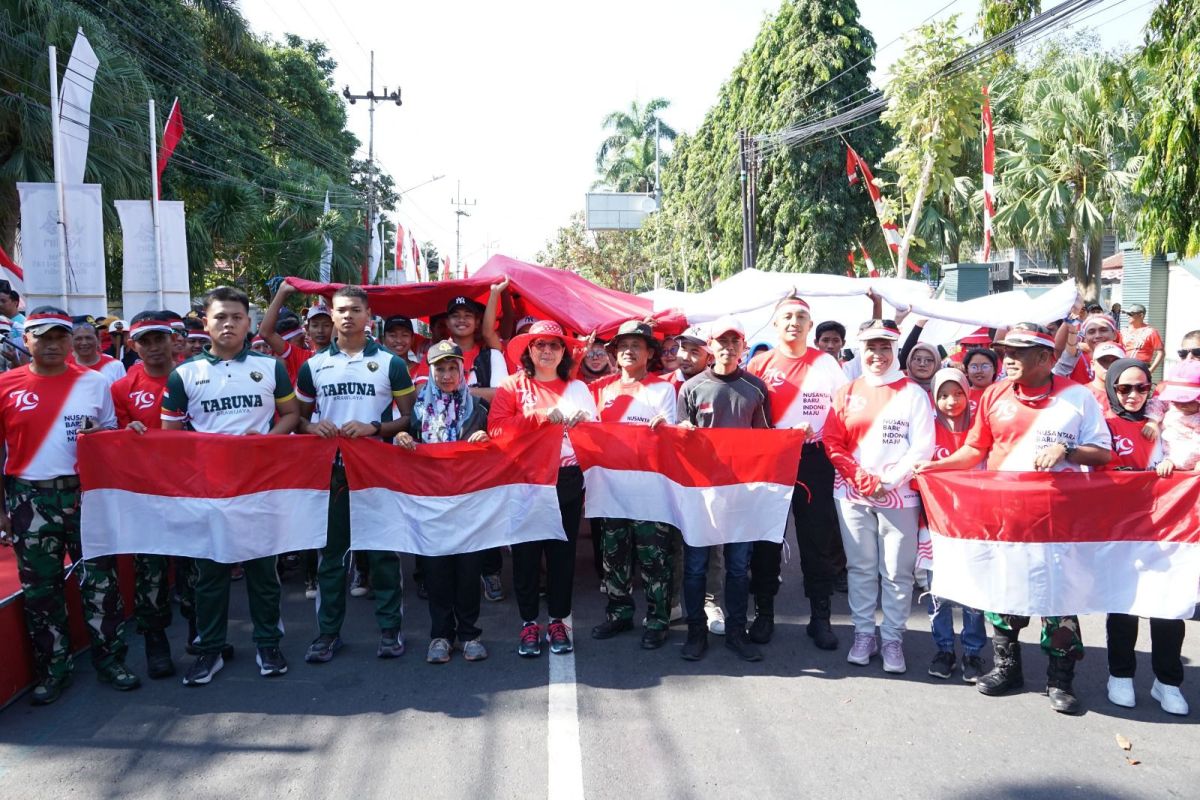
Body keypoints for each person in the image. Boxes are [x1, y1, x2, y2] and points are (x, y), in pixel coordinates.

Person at [915, 323, 1112, 714]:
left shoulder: (1077, 397)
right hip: (1005, 520)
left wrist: (1067, 450)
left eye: (1017, 353)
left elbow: (1103, 453)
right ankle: (1008, 669)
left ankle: (1061, 679)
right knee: (1004, 595)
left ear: (1045, 358)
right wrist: (933, 468)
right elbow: (975, 450)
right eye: (1005, 352)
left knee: (1058, 599)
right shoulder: (993, 395)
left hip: (1058, 525)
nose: (1007, 359)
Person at [0, 308, 140, 704]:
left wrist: (102, 435)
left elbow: (111, 434)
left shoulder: (94, 383)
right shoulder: (6, 385)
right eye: (42, 337)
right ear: (26, 341)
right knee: (41, 591)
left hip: (85, 496)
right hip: (29, 498)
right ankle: (54, 669)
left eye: (59, 336)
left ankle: (111, 660)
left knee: (100, 583)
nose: (52, 344)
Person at [162, 286, 300, 686]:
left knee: (262, 570)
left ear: (249, 323)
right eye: (220, 316)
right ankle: (209, 650)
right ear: (205, 322)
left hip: (259, 486)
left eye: (237, 317)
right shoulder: (184, 374)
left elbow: (290, 414)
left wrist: (261, 449)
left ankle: (268, 644)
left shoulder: (270, 367)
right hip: (210, 490)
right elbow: (170, 437)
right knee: (211, 573)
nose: (228, 324)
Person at [295, 286, 416, 664]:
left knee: (382, 553)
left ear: (369, 316)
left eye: (355, 310)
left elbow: (409, 418)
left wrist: (374, 429)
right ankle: (328, 634)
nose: (348, 316)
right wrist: (313, 428)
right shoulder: (313, 365)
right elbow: (295, 417)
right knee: (331, 557)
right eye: (341, 310)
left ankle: (390, 629)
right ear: (331, 316)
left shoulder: (391, 363)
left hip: (377, 470)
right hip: (331, 472)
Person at [823, 319, 934, 675]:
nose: (878, 355)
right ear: (861, 349)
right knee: (861, 568)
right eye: (871, 347)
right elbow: (832, 441)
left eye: (885, 348)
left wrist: (889, 480)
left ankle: (892, 639)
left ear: (895, 350)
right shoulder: (847, 391)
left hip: (898, 496)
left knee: (896, 572)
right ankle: (863, 633)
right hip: (851, 493)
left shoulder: (913, 393)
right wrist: (859, 477)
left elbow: (922, 447)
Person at [745, 293, 848, 650]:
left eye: (800, 317)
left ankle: (820, 617)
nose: (793, 323)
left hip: (814, 460)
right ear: (775, 323)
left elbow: (843, 413)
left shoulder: (828, 365)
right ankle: (764, 612)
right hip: (769, 460)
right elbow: (747, 416)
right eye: (786, 316)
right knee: (766, 537)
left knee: (817, 539)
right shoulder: (759, 364)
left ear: (810, 324)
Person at [489, 321, 596, 657]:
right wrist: (539, 416)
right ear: (529, 351)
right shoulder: (511, 386)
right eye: (540, 345)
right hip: (524, 479)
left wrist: (583, 423)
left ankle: (557, 621)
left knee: (562, 554)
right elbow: (496, 431)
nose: (547, 351)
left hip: (565, 478)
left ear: (564, 351)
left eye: (554, 345)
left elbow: (596, 435)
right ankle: (528, 624)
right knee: (526, 554)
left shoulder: (577, 388)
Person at [676, 316, 772, 662]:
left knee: (737, 566)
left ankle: (736, 632)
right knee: (695, 566)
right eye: (722, 342)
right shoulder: (691, 388)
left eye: (735, 342)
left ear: (743, 347)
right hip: (700, 493)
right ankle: (696, 632)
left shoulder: (756, 388)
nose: (728, 348)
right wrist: (682, 431)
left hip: (741, 493)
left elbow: (766, 441)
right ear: (710, 347)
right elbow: (678, 440)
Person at [1097, 358, 1188, 715]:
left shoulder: (1171, 422)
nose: (1133, 395)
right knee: (1125, 603)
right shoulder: (1102, 423)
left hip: (1170, 529)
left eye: (1141, 388)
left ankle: (1167, 681)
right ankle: (1120, 674)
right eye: (1124, 388)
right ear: (1112, 388)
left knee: (1169, 605)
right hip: (1122, 530)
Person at [397, 340, 491, 664]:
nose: (447, 375)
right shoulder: (419, 410)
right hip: (432, 505)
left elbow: (501, 448)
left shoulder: (479, 410)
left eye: (453, 368)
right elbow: (404, 447)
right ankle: (440, 636)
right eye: (440, 368)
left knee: (468, 572)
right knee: (436, 572)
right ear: (431, 371)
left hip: (468, 504)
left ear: (463, 370)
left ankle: (469, 634)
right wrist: (402, 438)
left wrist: (486, 440)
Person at [589, 321, 678, 649]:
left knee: (654, 557)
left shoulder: (663, 389)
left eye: (636, 345)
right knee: (614, 556)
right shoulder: (600, 389)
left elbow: (669, 437)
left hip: (649, 489)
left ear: (650, 353)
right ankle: (619, 614)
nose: (628, 350)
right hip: (611, 487)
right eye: (622, 345)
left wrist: (666, 428)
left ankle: (658, 620)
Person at [111, 313, 189, 680]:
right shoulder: (122, 388)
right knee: (152, 573)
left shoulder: (195, 376)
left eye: (160, 339)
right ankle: (157, 645)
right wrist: (126, 431)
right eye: (146, 341)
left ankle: (202, 638)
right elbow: (109, 439)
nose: (154, 348)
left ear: (173, 340)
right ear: (133, 345)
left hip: (193, 488)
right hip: (148, 493)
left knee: (196, 566)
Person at [923, 368, 987, 682]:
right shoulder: (926, 430)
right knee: (939, 592)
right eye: (944, 395)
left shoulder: (980, 430)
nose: (952, 401)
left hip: (975, 526)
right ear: (934, 398)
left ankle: (974, 654)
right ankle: (944, 649)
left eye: (958, 393)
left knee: (974, 593)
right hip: (935, 525)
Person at [1148, 360, 1200, 474]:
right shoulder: (1171, 403)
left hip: (1181, 463)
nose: (1180, 404)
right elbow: (1157, 402)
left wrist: (1173, 461)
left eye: (1187, 400)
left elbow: (1196, 448)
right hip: (1161, 453)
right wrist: (1152, 421)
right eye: (1175, 398)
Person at [69, 319, 127, 384]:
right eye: (78, 339)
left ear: (98, 340)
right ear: (71, 341)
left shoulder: (115, 366)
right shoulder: (64, 366)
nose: (84, 343)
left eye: (89, 338)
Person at [1124, 303, 1165, 375]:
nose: (1128, 316)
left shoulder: (1151, 332)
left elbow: (1161, 353)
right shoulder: (1124, 331)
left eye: (1131, 314)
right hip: (1124, 367)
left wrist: (1151, 370)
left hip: (1141, 367)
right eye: (1127, 314)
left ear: (1141, 315)